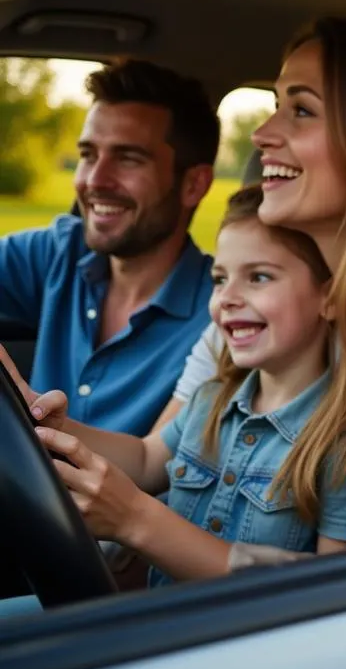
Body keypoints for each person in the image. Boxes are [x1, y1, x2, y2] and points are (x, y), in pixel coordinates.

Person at [15, 18, 346, 570]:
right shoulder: (247, 305)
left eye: (301, 109)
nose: (262, 134)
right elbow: (155, 455)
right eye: (275, 103)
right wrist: (39, 422)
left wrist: (138, 523)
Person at [38, 185, 346, 582]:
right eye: (220, 279)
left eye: (258, 277)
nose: (228, 297)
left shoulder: (341, 441)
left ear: (330, 296)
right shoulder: (213, 398)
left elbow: (335, 587)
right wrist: (55, 427)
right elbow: (144, 460)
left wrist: (135, 519)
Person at [0, 59, 219, 436]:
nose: (94, 180)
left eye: (128, 158)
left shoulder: (221, 314)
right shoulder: (59, 252)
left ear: (194, 185)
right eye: (88, 155)